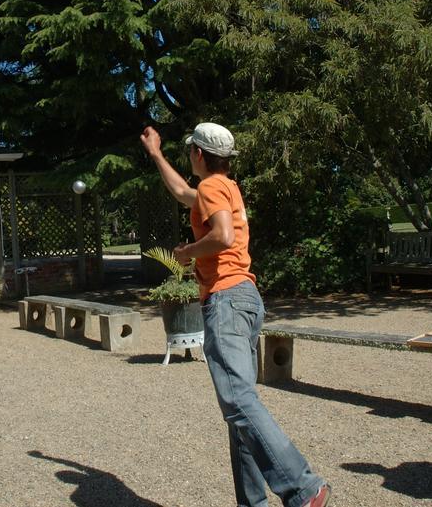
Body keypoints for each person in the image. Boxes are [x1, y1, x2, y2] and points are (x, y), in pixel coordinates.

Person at [140, 122, 330, 507]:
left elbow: (223, 236)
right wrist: (155, 154)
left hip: (226, 300)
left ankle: (303, 487)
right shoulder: (224, 187)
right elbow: (181, 192)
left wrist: (187, 252)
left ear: (197, 154)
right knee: (239, 413)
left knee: (238, 400)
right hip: (244, 298)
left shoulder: (211, 188)